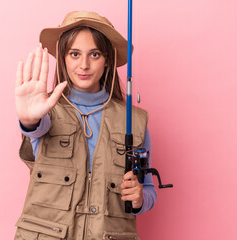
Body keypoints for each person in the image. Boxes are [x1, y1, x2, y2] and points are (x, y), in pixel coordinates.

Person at [14, 11, 157, 240]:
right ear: (63, 57)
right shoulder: (45, 111)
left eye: (95, 54)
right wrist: (29, 121)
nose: (84, 65)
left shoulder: (135, 121)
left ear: (107, 59)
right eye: (74, 54)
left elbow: (148, 190)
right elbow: (36, 129)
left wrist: (140, 198)